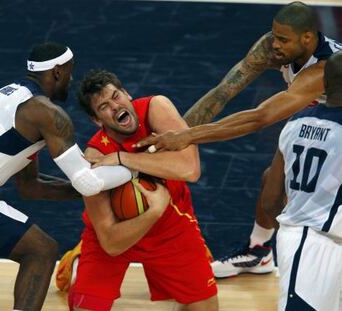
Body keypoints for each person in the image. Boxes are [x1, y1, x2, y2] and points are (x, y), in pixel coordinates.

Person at [134, 1, 342, 278]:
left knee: (323, 207)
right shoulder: (270, 48)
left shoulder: (323, 69)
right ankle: (259, 251)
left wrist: (188, 136)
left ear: (307, 37)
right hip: (322, 120)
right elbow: (223, 92)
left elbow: (260, 118)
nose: (275, 44)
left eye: (283, 39)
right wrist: (172, 137)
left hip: (334, 130)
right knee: (272, 183)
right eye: (274, 35)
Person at [0, 42, 136, 310]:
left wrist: (91, 188)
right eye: (70, 73)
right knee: (41, 251)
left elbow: (30, 187)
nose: (71, 80)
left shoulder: (13, 95)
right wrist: (134, 167)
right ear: (58, 72)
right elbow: (88, 182)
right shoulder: (48, 114)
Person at [63, 69, 218, 311]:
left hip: (172, 227)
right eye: (104, 106)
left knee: (204, 309)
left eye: (116, 96)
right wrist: (152, 212)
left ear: (127, 94)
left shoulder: (156, 108)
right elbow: (111, 243)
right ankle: (78, 262)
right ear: (97, 120)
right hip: (116, 235)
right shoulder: (94, 157)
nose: (115, 106)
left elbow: (190, 169)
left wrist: (123, 158)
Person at [261, 51, 342, 311]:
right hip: (314, 246)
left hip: (302, 239)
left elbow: (271, 199)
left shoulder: (296, 122)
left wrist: (289, 230)